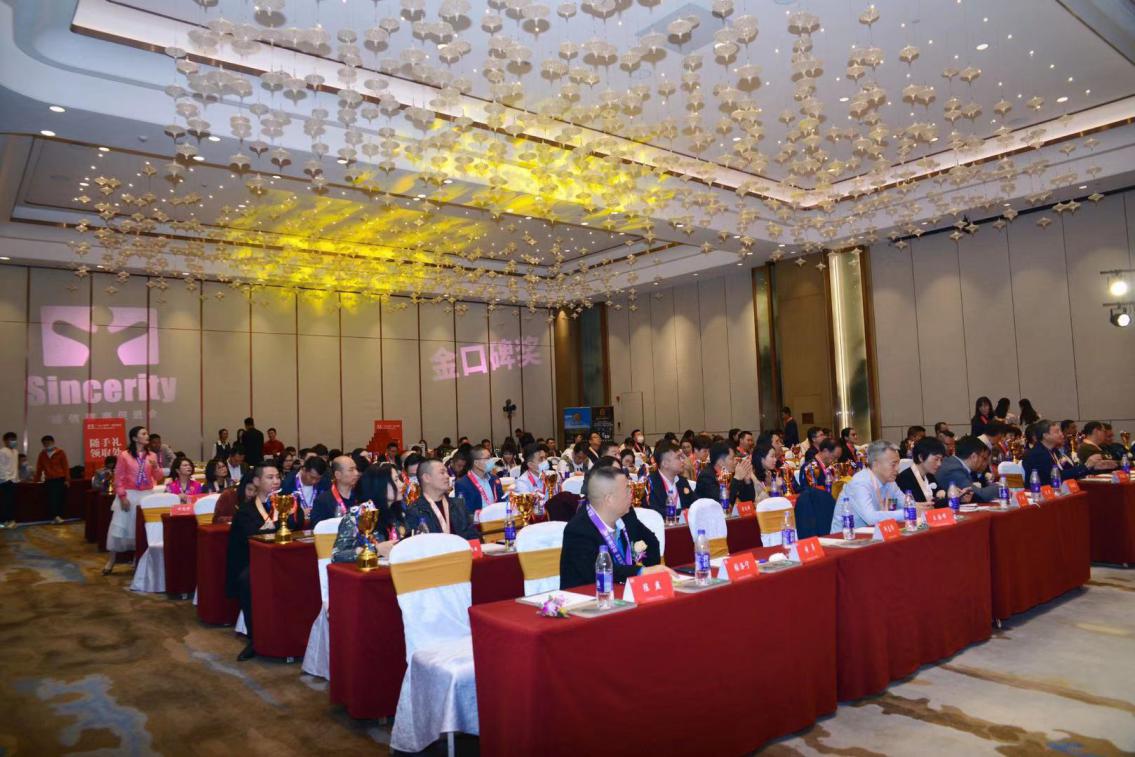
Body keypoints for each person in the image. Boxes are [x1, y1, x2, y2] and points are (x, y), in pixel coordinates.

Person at [559, 465, 663, 590]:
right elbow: (597, 571)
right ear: (609, 499)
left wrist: (650, 576)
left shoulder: (627, 517)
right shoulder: (578, 530)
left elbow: (652, 543)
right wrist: (640, 572)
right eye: (627, 490)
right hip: (589, 597)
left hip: (626, 592)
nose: (631, 493)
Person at [226, 462, 281, 661]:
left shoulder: (287, 503)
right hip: (255, 562)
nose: (276, 481)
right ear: (257, 481)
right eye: (270, 477)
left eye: (277, 477)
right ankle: (255, 639)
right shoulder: (246, 510)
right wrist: (271, 526)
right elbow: (249, 536)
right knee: (248, 581)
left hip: (282, 559)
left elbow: (297, 524)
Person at [104, 426, 165, 575]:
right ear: (134, 438)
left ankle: (137, 560)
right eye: (143, 434)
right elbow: (118, 478)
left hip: (147, 495)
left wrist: (156, 467)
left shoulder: (152, 455)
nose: (147, 435)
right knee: (120, 528)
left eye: (147, 433)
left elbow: (158, 477)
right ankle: (111, 561)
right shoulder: (124, 455)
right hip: (129, 494)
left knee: (141, 529)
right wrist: (122, 496)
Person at [829, 440, 907, 531]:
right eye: (893, 464)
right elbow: (871, 518)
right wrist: (906, 513)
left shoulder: (890, 481)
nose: (898, 468)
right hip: (847, 536)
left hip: (875, 533)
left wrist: (917, 507)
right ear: (876, 464)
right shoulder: (860, 482)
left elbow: (906, 503)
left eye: (898, 464)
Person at [405, 458, 479, 539]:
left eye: (447, 472)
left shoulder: (458, 504)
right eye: (442, 473)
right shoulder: (415, 511)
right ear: (426, 478)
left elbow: (472, 536)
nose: (447, 476)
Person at [1024, 419, 1112, 483]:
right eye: (1057, 432)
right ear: (1045, 435)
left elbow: (1070, 471)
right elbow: (1057, 476)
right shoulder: (1037, 454)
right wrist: (1086, 466)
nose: (1061, 434)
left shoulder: (1054, 451)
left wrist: (1093, 468)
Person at [936, 436, 1001, 503]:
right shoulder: (953, 470)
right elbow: (979, 495)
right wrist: (1001, 487)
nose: (983, 462)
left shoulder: (954, 463)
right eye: (982, 457)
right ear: (974, 457)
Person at [694, 441, 755, 505]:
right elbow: (723, 501)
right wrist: (737, 479)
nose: (735, 461)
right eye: (732, 458)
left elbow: (749, 500)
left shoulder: (732, 473)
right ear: (721, 462)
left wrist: (747, 481)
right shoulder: (706, 477)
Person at [646, 443, 696, 518]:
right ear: (665, 464)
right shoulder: (651, 482)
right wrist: (682, 512)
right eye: (678, 458)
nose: (682, 460)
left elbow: (694, 502)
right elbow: (653, 511)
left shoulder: (682, 481)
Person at [310, 455, 359, 527]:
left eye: (356, 469)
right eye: (351, 470)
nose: (356, 473)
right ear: (338, 475)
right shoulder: (323, 500)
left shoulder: (362, 495)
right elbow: (318, 527)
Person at [896, 437, 947, 504]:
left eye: (941, 460)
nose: (939, 464)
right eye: (936, 459)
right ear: (921, 457)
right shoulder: (904, 478)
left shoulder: (929, 475)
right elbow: (918, 504)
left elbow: (939, 492)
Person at [454, 445, 503, 513]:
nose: (491, 461)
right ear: (476, 463)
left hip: (497, 517)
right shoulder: (463, 484)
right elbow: (464, 513)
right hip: (477, 519)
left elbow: (501, 502)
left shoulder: (494, 479)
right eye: (488, 458)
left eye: (491, 457)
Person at [34, 435, 70, 524]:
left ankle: (58, 516)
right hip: (49, 479)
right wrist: (36, 480)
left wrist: (67, 480)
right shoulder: (42, 454)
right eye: (44, 443)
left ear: (53, 442)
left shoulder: (60, 452)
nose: (46, 445)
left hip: (60, 478)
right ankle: (55, 516)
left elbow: (65, 466)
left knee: (60, 498)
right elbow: (39, 468)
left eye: (48, 443)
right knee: (52, 498)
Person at [283, 455, 329, 525]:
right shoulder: (288, 483)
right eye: (312, 477)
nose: (314, 481)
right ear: (304, 470)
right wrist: (301, 514)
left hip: (318, 524)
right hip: (296, 526)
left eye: (318, 479)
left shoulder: (325, 483)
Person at [0, 431, 18, 529]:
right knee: (5, 502)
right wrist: (6, 478)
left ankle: (10, 520)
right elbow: (1, 467)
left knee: (11, 502)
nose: (13, 441)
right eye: (11, 439)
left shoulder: (15, 451)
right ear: (5, 441)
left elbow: (14, 466)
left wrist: (16, 478)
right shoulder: (2, 451)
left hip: (13, 480)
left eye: (14, 439)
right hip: (4, 481)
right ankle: (4, 521)